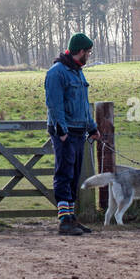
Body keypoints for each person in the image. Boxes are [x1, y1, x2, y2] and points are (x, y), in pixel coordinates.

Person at [45, 33, 101, 236]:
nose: (89, 55)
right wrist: (61, 131)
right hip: (66, 133)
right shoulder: (57, 73)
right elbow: (54, 104)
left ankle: (71, 217)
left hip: (79, 131)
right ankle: (64, 220)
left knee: (74, 176)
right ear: (80, 51)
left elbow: (84, 106)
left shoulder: (77, 72)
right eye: (88, 52)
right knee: (64, 174)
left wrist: (92, 127)